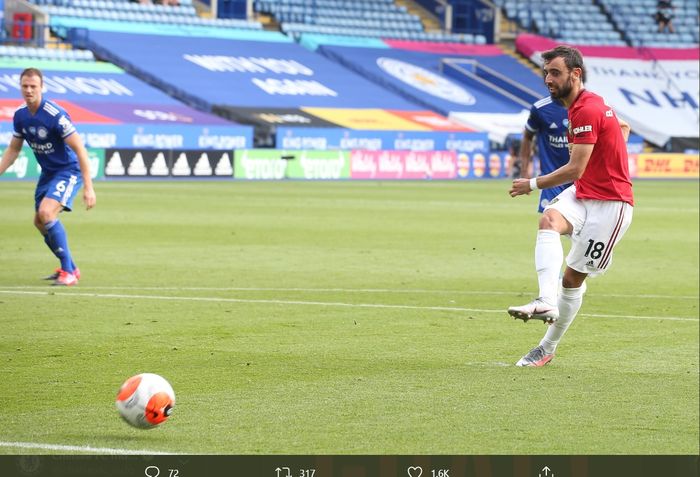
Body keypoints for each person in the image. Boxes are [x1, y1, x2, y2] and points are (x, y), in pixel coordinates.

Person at [507, 45, 633, 367]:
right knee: (549, 219)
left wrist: (531, 183)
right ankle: (545, 300)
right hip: (583, 193)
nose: (548, 79)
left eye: (555, 73)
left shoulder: (586, 110)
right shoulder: (581, 107)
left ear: (575, 75)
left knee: (573, 280)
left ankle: (547, 347)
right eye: (546, 73)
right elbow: (619, 129)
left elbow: (575, 168)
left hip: (611, 205)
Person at [0, 67, 96, 286]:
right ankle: (70, 267)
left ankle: (68, 274)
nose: (29, 90)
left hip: (68, 170)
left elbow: (80, 149)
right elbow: (13, 150)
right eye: (25, 86)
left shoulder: (55, 115)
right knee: (39, 222)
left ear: (42, 87)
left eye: (33, 86)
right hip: (48, 174)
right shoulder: (21, 116)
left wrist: (89, 187)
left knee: (46, 212)